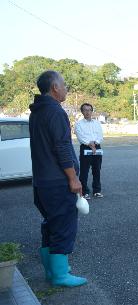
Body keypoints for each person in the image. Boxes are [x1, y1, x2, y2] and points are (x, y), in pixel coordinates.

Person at [29, 70, 87, 287]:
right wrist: (74, 179)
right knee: (63, 225)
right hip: (57, 182)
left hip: (41, 182)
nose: (66, 88)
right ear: (54, 87)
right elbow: (62, 148)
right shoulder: (55, 111)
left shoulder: (37, 111)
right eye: (63, 85)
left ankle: (52, 272)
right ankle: (61, 276)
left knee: (50, 225)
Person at [75, 103, 104, 199]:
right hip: (85, 148)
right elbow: (80, 137)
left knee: (97, 170)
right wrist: (90, 144)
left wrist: (95, 143)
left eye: (89, 110)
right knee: (84, 171)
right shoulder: (79, 124)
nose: (87, 112)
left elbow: (100, 135)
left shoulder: (97, 123)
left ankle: (97, 190)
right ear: (82, 112)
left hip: (97, 147)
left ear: (92, 111)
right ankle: (84, 192)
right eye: (85, 110)